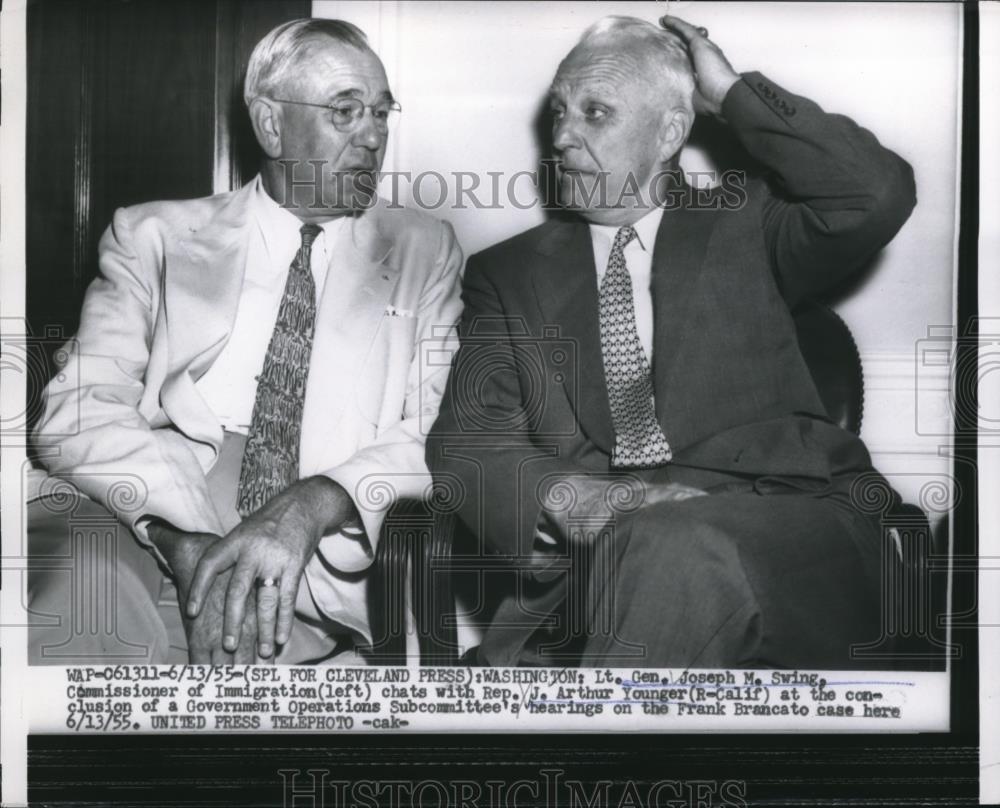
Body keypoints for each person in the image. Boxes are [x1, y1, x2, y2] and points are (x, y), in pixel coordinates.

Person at [427, 15, 916, 669]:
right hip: (597, 563)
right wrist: (578, 500)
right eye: (560, 113)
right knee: (653, 552)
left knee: (669, 548)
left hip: (787, 525)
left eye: (595, 112)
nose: (564, 138)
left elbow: (875, 194)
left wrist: (733, 94)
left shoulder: (746, 222)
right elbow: (469, 438)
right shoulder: (507, 277)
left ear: (669, 132)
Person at [28, 18, 463, 665]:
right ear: (268, 123)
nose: (373, 137)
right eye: (345, 111)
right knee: (75, 593)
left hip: (320, 551)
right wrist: (185, 538)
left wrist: (310, 505)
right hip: (149, 505)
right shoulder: (155, 237)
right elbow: (78, 411)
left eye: (381, 111)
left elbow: (436, 431)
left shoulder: (422, 249)